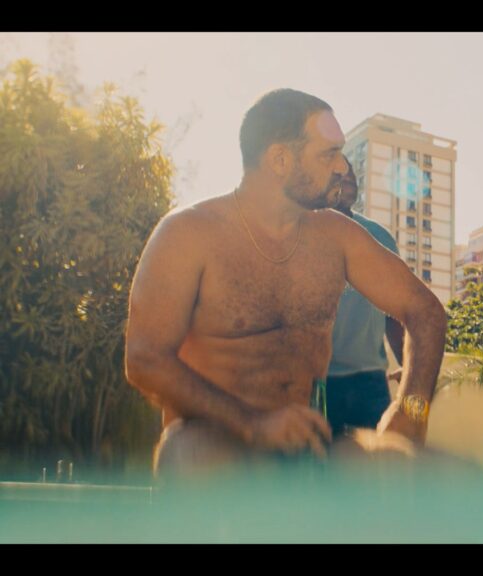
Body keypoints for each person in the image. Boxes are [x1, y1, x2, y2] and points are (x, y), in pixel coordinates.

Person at [124, 89, 446, 476]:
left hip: (305, 446)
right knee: (194, 452)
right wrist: (253, 425)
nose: (342, 167)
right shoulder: (188, 233)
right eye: (329, 154)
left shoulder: (337, 235)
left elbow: (425, 311)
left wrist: (411, 410)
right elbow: (144, 359)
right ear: (280, 160)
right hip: (212, 441)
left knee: (432, 472)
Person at [325, 159, 406, 435]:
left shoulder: (380, 236)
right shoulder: (304, 229)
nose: (348, 176)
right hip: (316, 380)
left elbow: (396, 312)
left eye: (351, 172)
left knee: (376, 459)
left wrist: (408, 368)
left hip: (370, 384)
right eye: (339, 172)